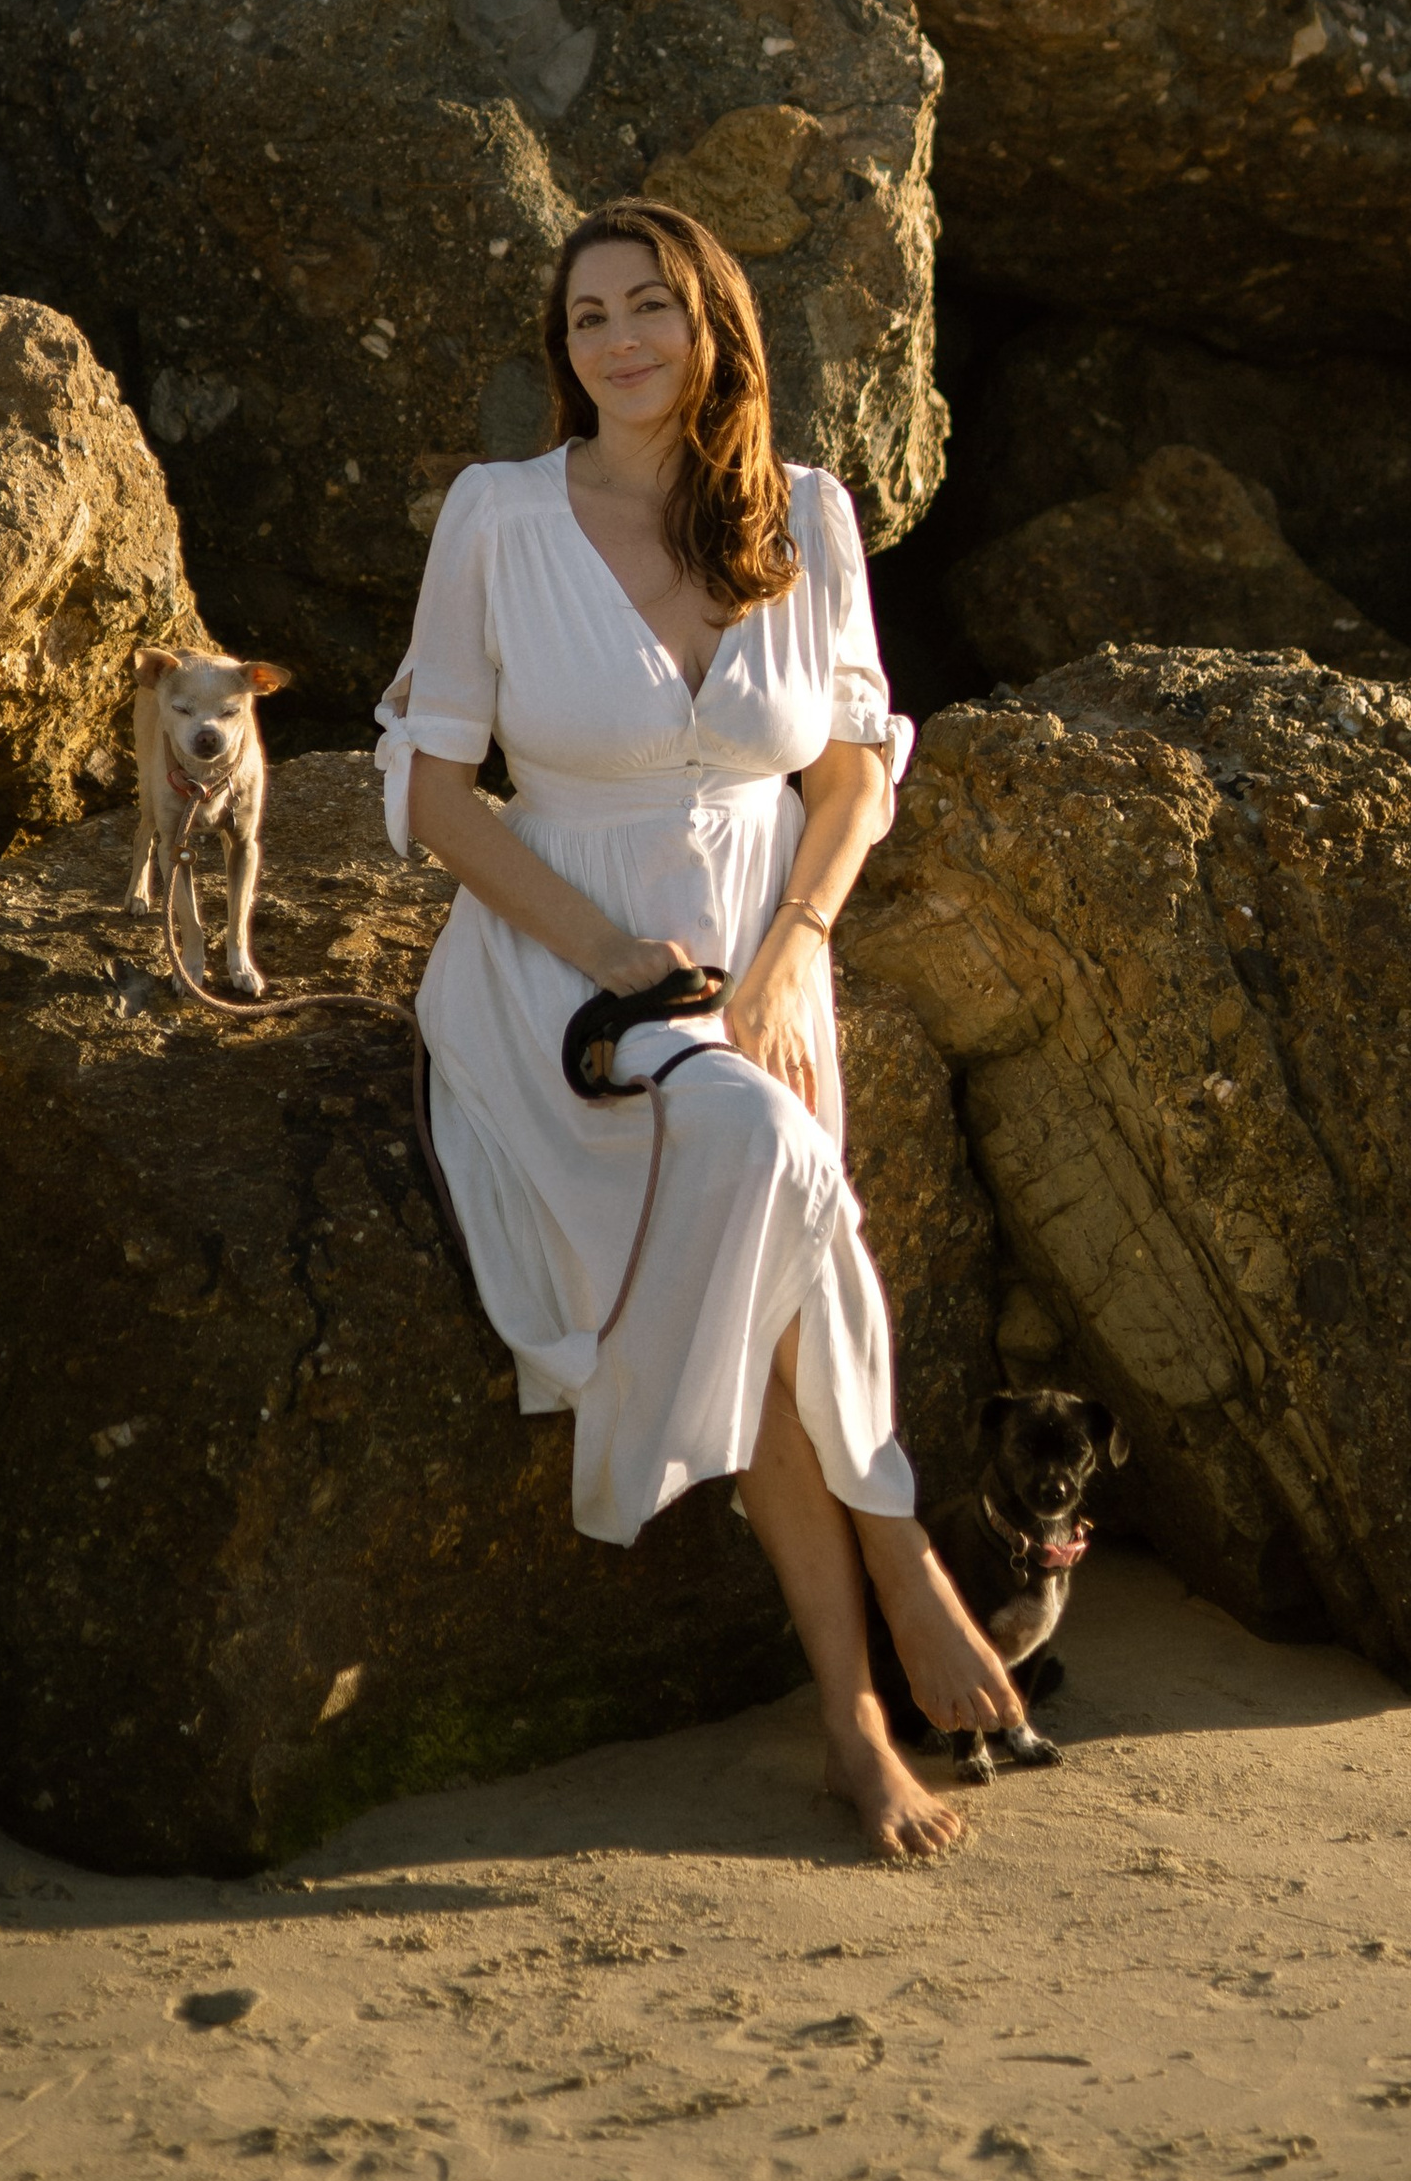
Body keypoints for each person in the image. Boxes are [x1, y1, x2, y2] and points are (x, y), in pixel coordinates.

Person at [374, 196, 1026, 1860]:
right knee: (761, 1149)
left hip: (759, 953)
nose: (618, 339)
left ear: (714, 322)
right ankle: (903, 1561)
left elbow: (856, 768)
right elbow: (434, 794)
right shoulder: (500, 516)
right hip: (559, 962)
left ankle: (852, 1718)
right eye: (587, 316)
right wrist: (606, 949)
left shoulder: (806, 514)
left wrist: (797, 946)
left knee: (765, 1234)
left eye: (649, 304)